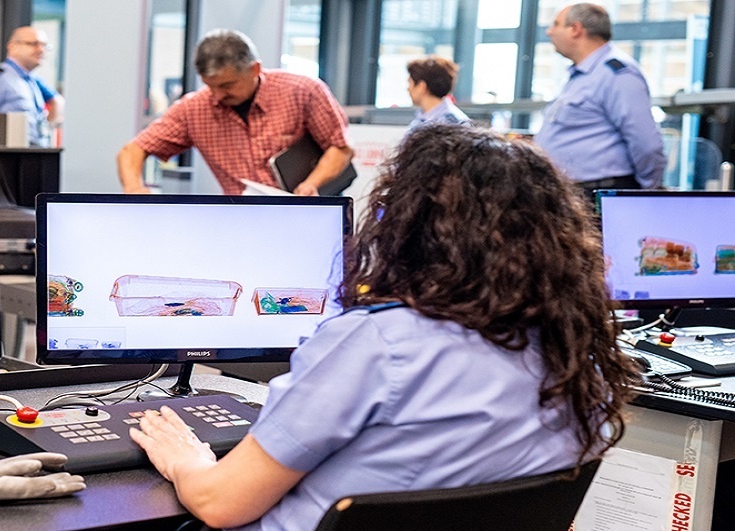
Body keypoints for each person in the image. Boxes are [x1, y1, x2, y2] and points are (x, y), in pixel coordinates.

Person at [129, 124, 639, 530]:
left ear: (409, 227)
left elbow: (220, 505)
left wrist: (186, 460)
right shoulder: (579, 354)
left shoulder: (378, 343)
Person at [117, 29, 353, 196]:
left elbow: (340, 147)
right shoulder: (194, 109)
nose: (218, 95)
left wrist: (312, 184)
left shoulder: (303, 91)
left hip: (310, 210)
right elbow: (132, 151)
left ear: (255, 69)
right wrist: (134, 189)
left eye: (227, 85)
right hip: (242, 219)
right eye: (210, 86)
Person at [533, 3, 666, 193]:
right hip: (572, 191)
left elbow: (646, 144)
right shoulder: (584, 74)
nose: (549, 32)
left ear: (575, 29)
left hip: (599, 191)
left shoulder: (617, 74)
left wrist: (646, 191)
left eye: (556, 24)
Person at [0, 26, 64, 147]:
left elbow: (57, 102)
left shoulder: (30, 80)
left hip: (32, 152)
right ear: (12, 47)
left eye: (44, 46)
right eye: (33, 44)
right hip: (8, 157)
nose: (41, 50)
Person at [406, 56, 470, 128]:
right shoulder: (421, 119)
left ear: (421, 87)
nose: (408, 89)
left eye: (410, 83)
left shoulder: (452, 123)